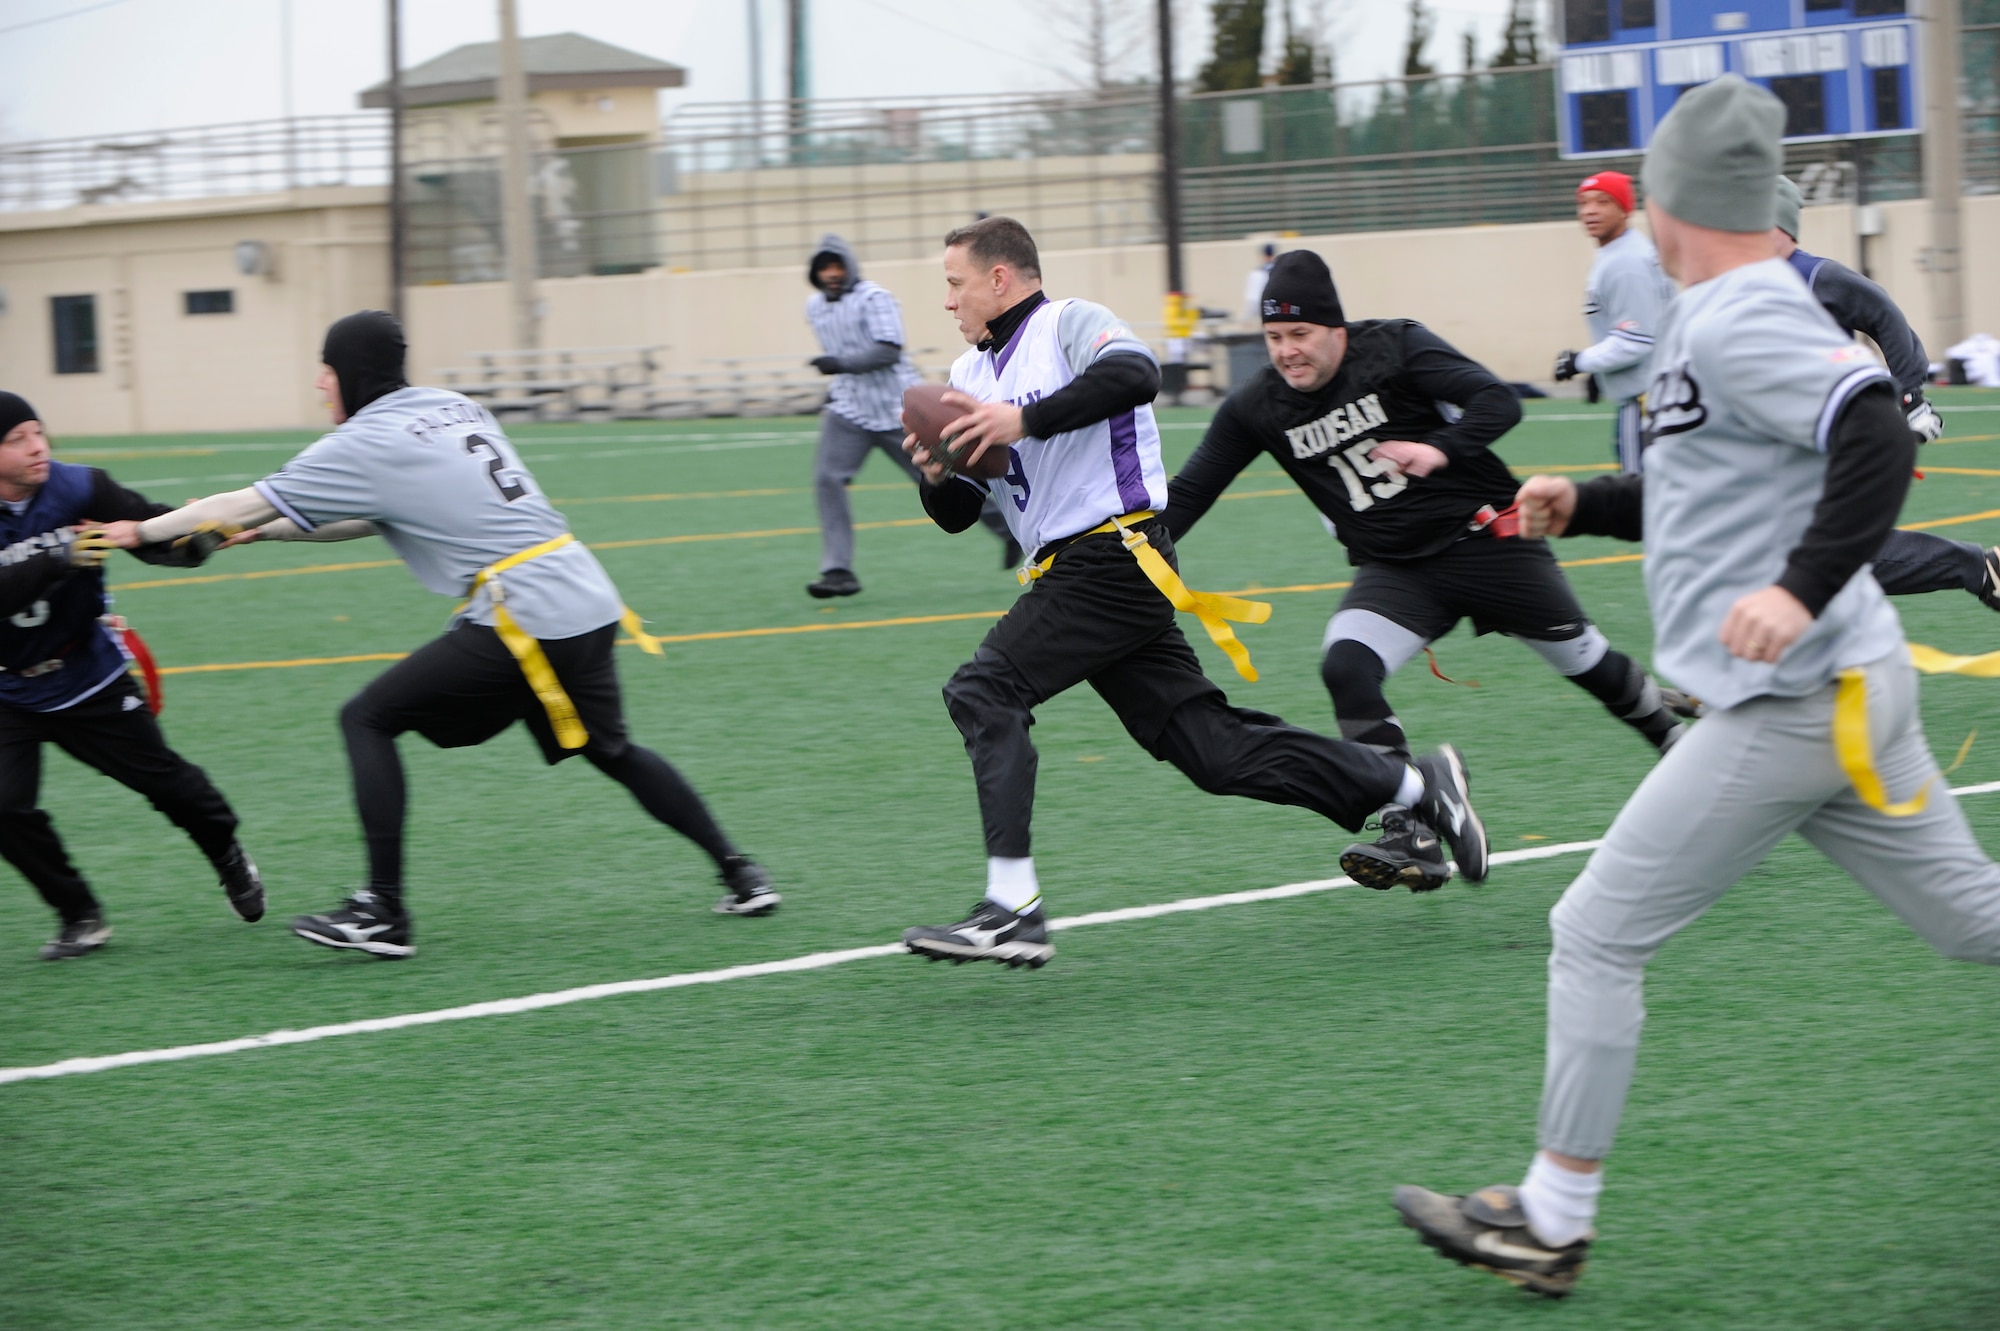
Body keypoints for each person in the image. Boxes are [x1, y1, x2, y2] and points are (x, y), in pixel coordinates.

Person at [1393, 75, 2000, 1298]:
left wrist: (1795, 589)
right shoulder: (1713, 314)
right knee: (1971, 921)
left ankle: (1550, 1218)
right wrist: (1590, 500)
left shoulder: (1736, 312)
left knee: (1591, 931)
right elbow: (1719, 486)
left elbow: (1871, 429)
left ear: (1669, 200)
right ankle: (1550, 1215)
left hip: (1795, 702)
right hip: (1842, 691)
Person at [896, 217, 1489, 969]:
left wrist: (1027, 419)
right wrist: (937, 475)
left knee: (984, 690)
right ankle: (1415, 782)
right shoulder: (968, 375)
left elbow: (1137, 375)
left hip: (1114, 553)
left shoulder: (1068, 324)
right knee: (1214, 752)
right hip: (1080, 571)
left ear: (1001, 278)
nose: (948, 300)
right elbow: (957, 518)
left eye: (955, 282)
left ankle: (1013, 908)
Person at [112, 311, 777, 959]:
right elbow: (384, 513)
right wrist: (273, 532)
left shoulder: (364, 439)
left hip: (526, 611)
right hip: (583, 594)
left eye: (325, 369)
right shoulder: (450, 405)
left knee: (366, 717)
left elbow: (234, 503)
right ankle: (741, 872)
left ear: (350, 370)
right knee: (611, 749)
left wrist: (138, 531)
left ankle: (384, 910)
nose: (320, 384)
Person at [1165, 250, 1687, 889]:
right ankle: (1410, 826)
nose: (1286, 352)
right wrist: (1125, 550)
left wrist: (1438, 450)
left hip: (1487, 540)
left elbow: (1498, 402)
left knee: (1589, 665)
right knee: (1346, 666)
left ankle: (1672, 741)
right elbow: (1189, 492)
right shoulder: (1258, 405)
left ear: (1338, 329)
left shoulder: (1396, 346)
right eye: (1274, 338)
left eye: (1299, 334)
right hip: (1398, 568)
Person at [0, 391, 264, 960]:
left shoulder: (81, 487)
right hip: (9, 687)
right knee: (3, 807)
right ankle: (79, 914)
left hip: (85, 672)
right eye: (16, 439)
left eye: (38, 432)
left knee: (168, 784)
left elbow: (154, 534)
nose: (37, 446)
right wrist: (57, 555)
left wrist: (206, 534)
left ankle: (226, 852)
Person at [1768, 177, 1999, 611]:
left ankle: (1975, 568)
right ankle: (1978, 569)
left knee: (1814, 557)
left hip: (1823, 443)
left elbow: (1886, 316)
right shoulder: (1742, 285)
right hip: (1777, 447)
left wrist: (1911, 398)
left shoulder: (1815, 276)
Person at [803, 234, 1014, 597]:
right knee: (827, 480)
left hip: (898, 408)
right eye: (824, 268)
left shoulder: (875, 298)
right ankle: (838, 571)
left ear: (850, 266)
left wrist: (840, 364)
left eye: (837, 265)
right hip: (849, 408)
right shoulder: (815, 306)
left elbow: (888, 350)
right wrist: (839, 371)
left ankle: (1007, 529)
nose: (832, 274)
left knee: (946, 477)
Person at [1552, 170, 1677, 474]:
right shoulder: (1622, 253)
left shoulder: (1625, 262)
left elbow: (1638, 339)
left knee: (1641, 500)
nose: (1590, 210)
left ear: (1625, 208)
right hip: (1658, 395)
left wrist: (1581, 361)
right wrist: (1599, 370)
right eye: (1583, 203)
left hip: (1647, 402)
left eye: (1603, 201)